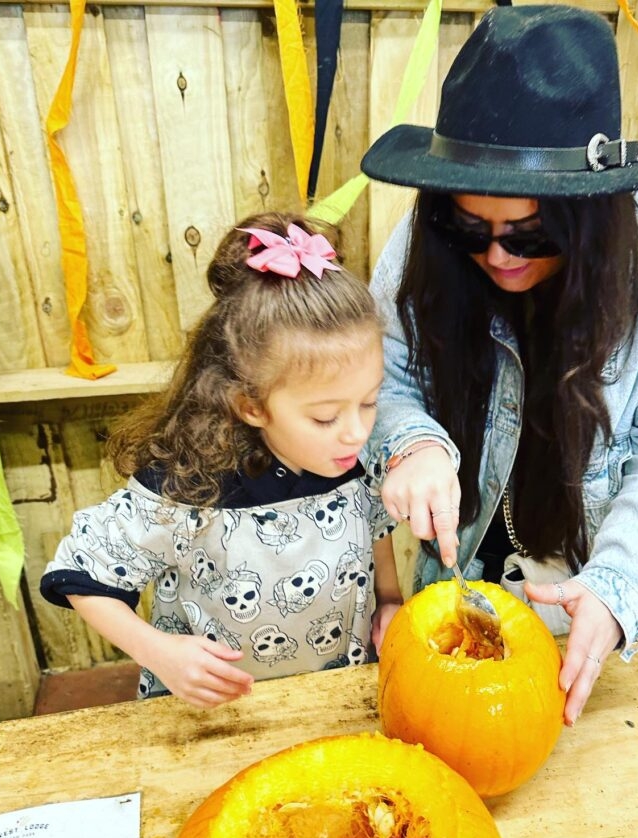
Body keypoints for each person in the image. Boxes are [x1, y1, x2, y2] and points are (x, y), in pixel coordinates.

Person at [359, 5, 638, 725]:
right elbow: (382, 369)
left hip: (600, 603)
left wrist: (615, 590)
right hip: (460, 583)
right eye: (468, 227)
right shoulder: (424, 240)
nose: (497, 256)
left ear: (594, 209)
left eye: (530, 233)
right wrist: (410, 441)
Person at [41, 213, 402, 709]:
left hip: (332, 700)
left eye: (369, 402)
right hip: (217, 714)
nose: (357, 432)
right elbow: (78, 573)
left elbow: (374, 526)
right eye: (323, 417)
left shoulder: (349, 454)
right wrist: (160, 653)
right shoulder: (186, 485)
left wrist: (390, 600)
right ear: (250, 405)